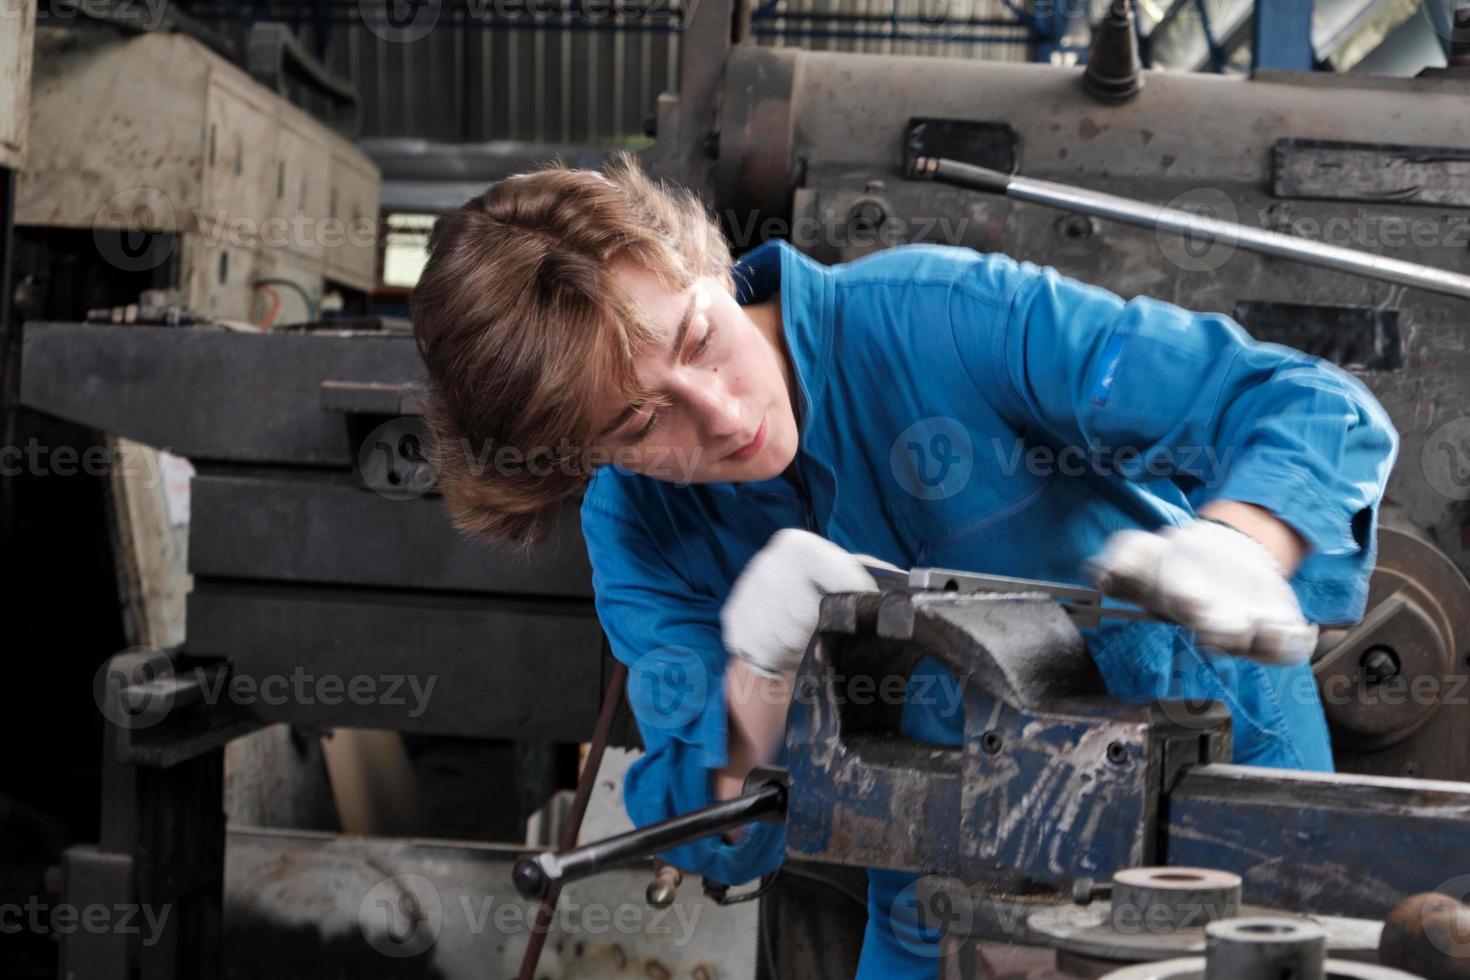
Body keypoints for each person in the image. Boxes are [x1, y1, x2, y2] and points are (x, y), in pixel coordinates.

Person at [409, 152, 1399, 977]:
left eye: (701, 338)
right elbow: (714, 826)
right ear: (582, 458)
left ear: (703, 262)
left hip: (1230, 826)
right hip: (943, 891)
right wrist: (761, 670)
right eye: (639, 420)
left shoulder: (946, 319)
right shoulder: (638, 530)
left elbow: (1307, 403)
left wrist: (1241, 539)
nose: (720, 411)